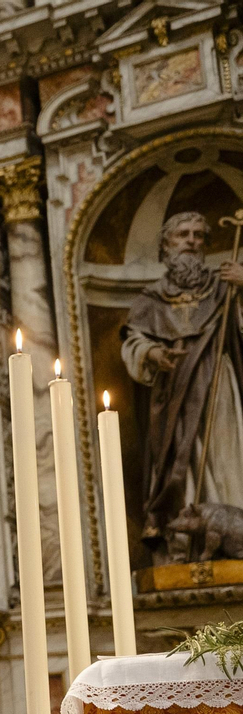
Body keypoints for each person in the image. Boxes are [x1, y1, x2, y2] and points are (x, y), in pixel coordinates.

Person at [122, 210, 243, 559]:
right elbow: (132, 341)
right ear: (166, 245)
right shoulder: (150, 299)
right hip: (174, 393)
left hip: (219, 384)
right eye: (183, 235)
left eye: (198, 236)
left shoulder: (225, 287)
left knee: (226, 453)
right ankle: (186, 543)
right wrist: (152, 353)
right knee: (181, 460)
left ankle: (234, 530)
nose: (191, 241)